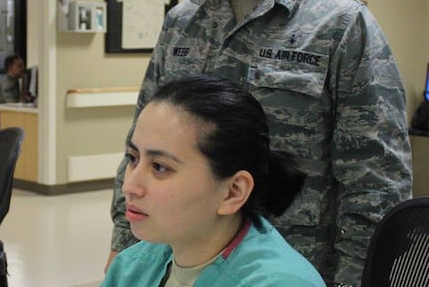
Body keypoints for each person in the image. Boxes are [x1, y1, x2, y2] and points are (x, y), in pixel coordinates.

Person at [107, 0, 413, 286]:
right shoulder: (183, 23)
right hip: (187, 264)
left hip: (296, 267)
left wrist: (354, 281)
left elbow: (376, 179)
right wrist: (125, 242)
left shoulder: (341, 26)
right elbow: (141, 140)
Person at [103, 75, 325, 286]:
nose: (129, 186)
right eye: (133, 158)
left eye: (159, 167)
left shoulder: (281, 283)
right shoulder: (132, 268)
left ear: (232, 192)